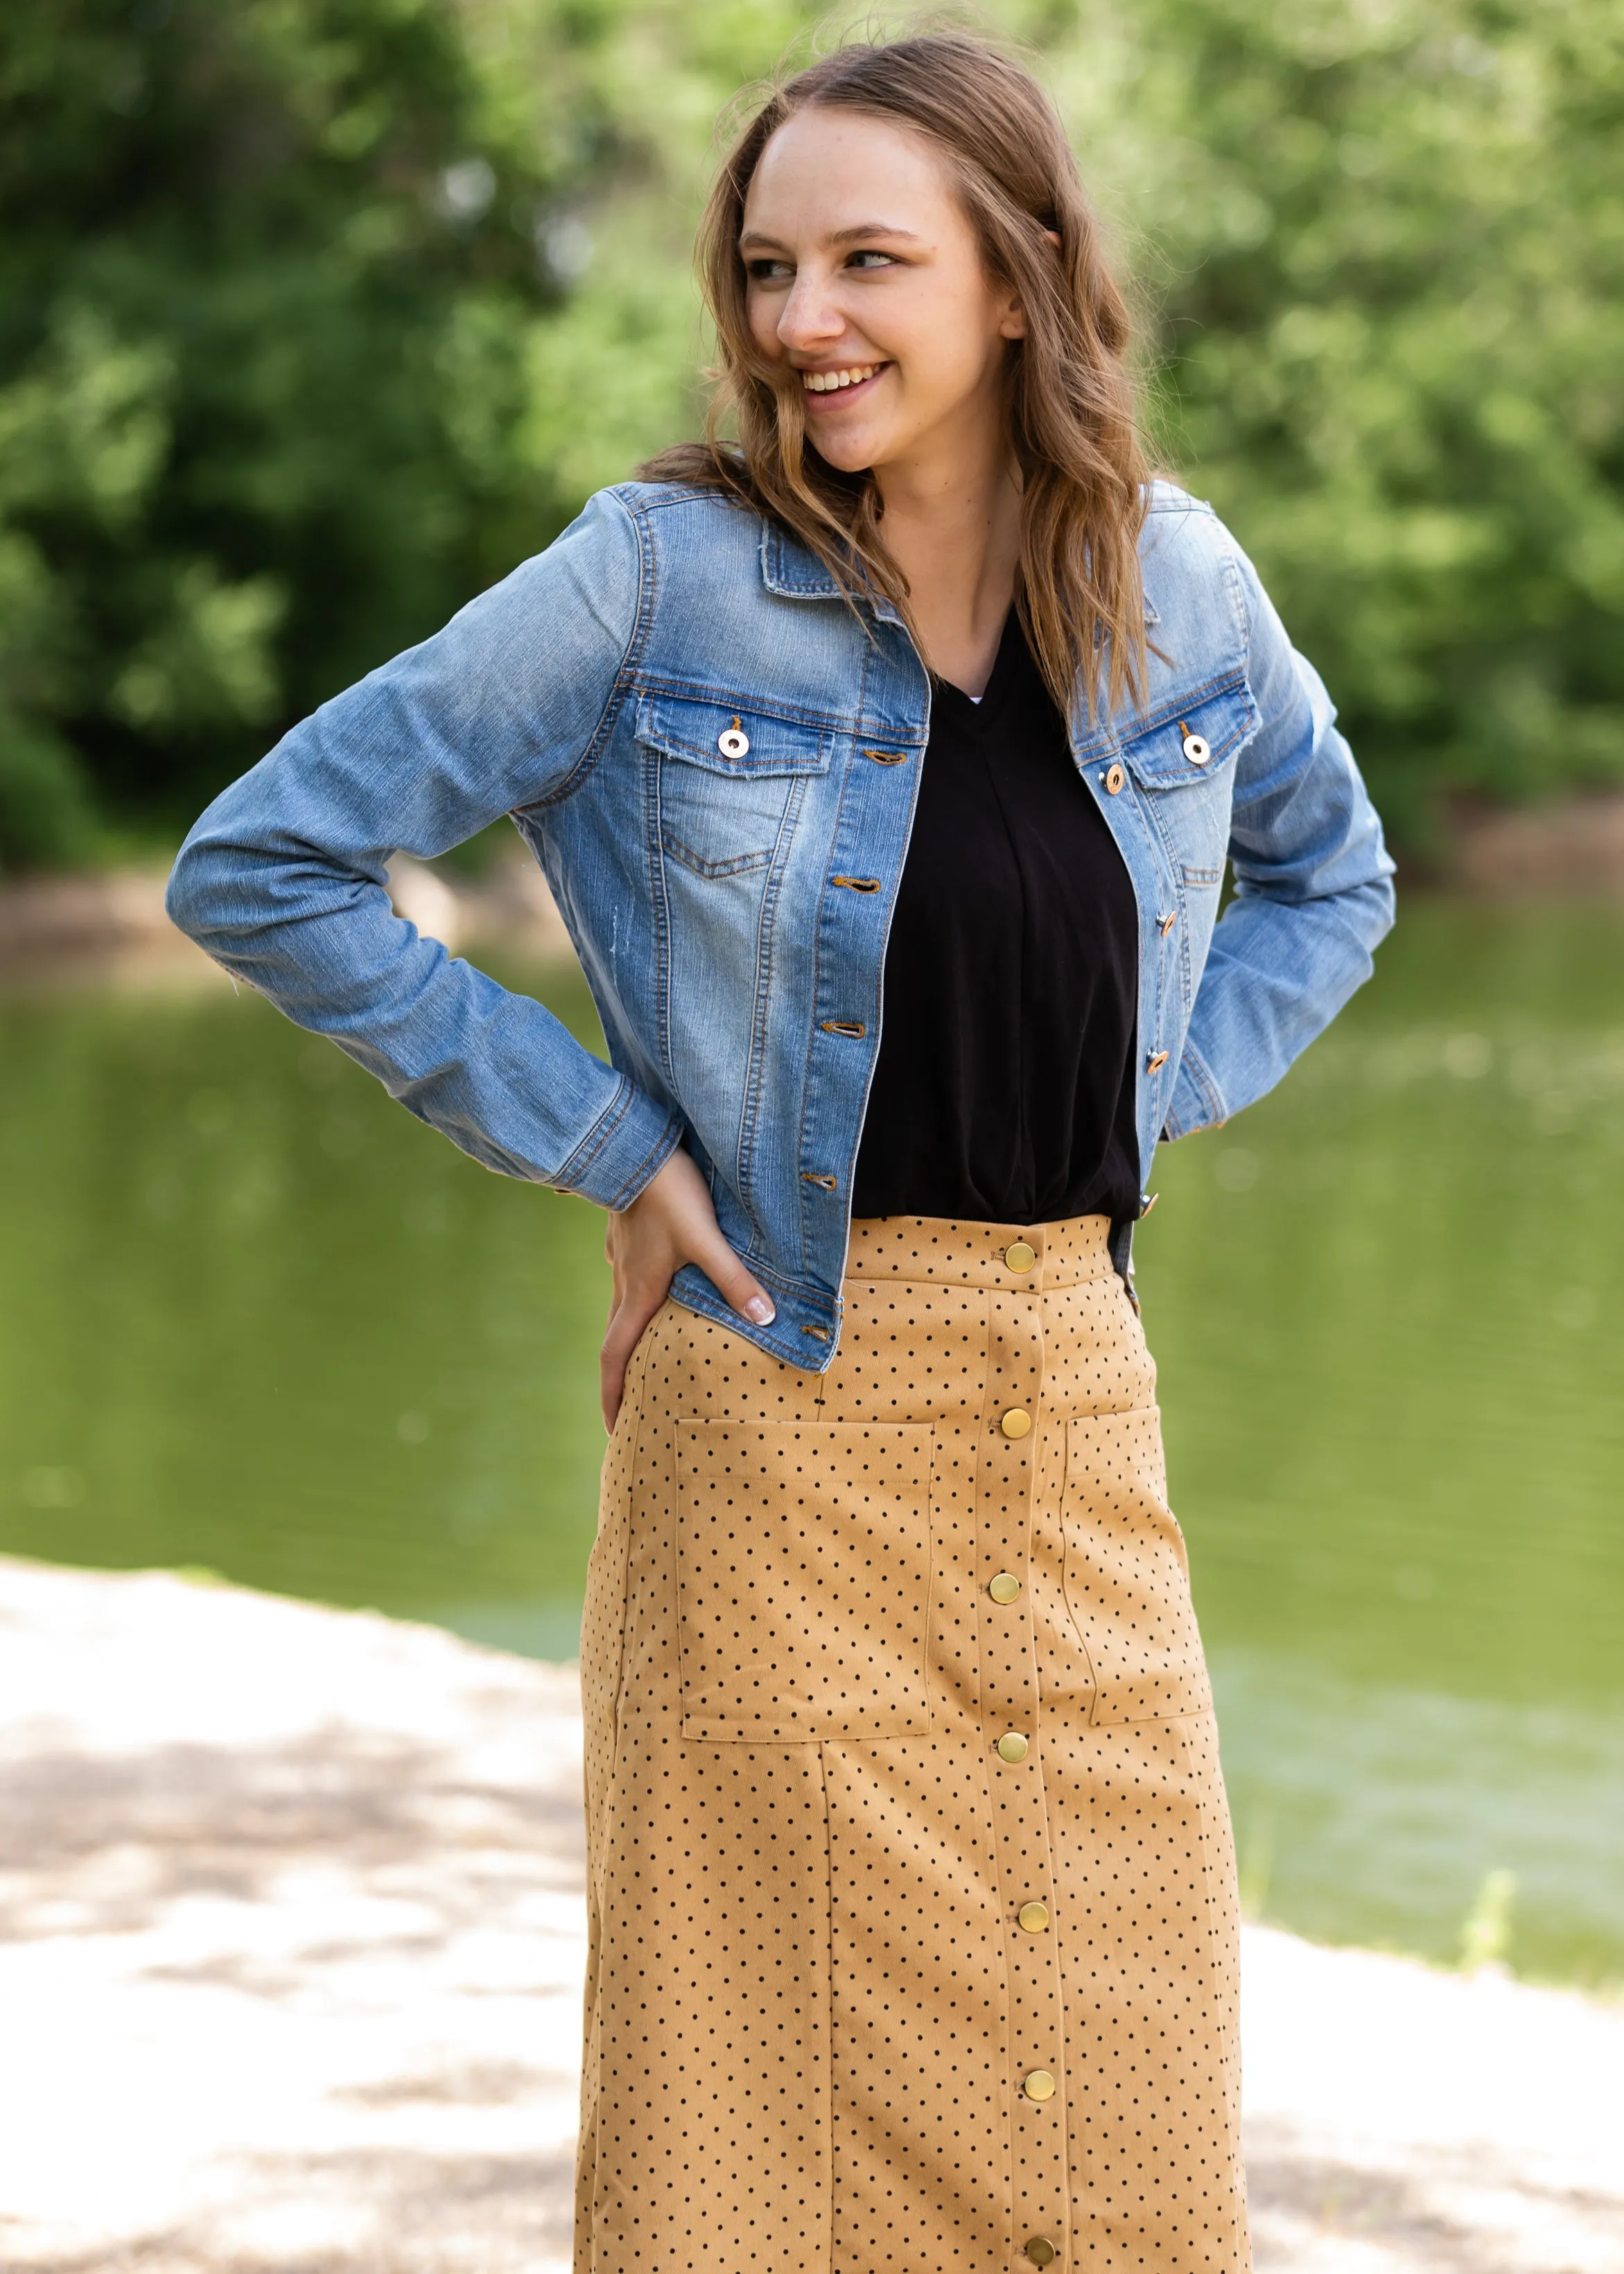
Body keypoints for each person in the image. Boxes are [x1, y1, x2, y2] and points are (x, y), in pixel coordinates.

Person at [168, 31, 1394, 2273]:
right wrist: (607, 1137)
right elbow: (269, 862)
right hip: (778, 1411)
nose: (796, 317)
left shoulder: (1176, 584)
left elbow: (1336, 873)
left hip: (1077, 1411)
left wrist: (1147, 1088)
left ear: (1014, 283)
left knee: (1124, 2101)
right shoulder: (657, 582)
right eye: (762, 265)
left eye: (864, 259)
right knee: (757, 2132)